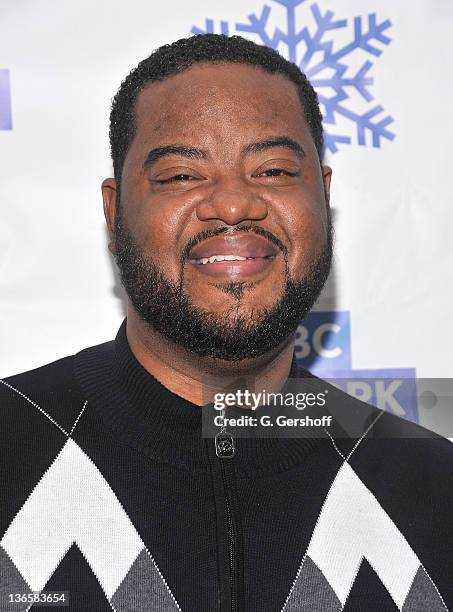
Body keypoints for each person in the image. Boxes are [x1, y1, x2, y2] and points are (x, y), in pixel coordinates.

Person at [0, 34, 451, 612]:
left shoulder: (433, 486)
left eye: (274, 170)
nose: (234, 204)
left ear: (323, 195)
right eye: (182, 176)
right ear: (114, 212)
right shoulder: (11, 443)